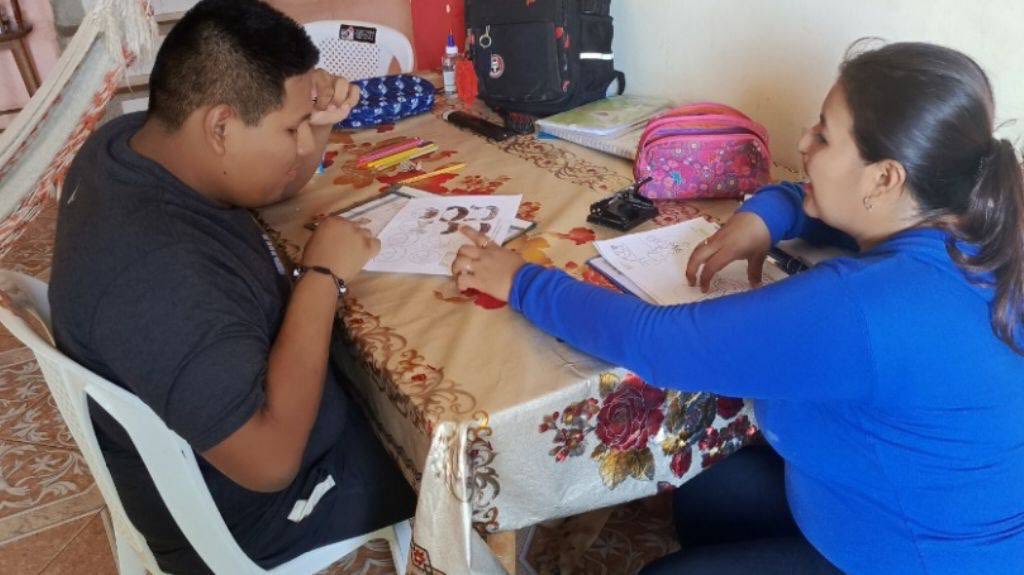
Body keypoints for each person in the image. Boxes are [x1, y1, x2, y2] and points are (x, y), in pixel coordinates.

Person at [452, 41, 1024, 574]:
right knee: (706, 497)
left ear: (885, 178)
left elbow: (656, 341)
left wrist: (521, 281)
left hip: (915, 558)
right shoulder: (973, 228)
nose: (803, 143)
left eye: (825, 137)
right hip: (906, 508)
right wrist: (762, 218)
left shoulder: (868, 306)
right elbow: (803, 200)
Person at [48, 1, 415, 572]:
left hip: (222, 430)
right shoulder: (158, 275)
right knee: (445, 453)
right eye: (289, 130)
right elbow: (270, 462)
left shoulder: (131, 144)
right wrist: (322, 278)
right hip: (248, 513)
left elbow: (270, 183)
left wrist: (313, 123)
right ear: (220, 127)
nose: (303, 148)